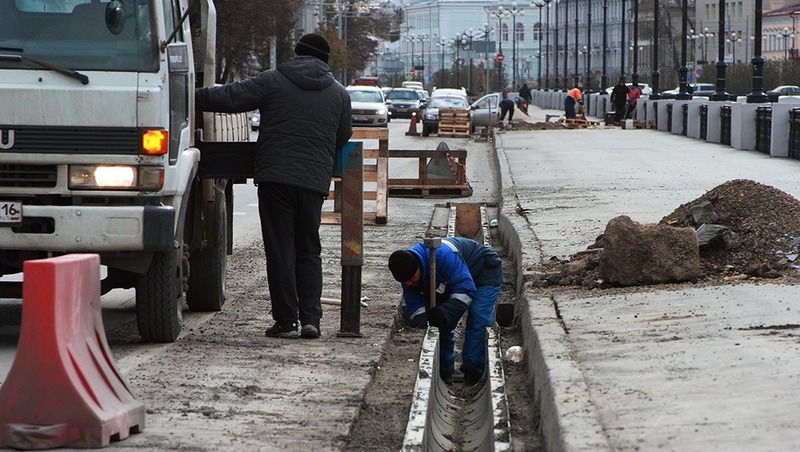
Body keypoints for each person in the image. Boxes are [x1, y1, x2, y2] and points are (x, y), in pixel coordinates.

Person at [195, 33, 353, 339]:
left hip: (275, 179)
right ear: (325, 60)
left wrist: (190, 93)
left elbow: (230, 98)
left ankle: (285, 321)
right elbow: (342, 137)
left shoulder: (275, 80)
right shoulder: (339, 94)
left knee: (281, 250)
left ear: (296, 54)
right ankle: (311, 320)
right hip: (312, 182)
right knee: (309, 250)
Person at [388, 237, 503, 387]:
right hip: (451, 279)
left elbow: (466, 290)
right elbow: (416, 306)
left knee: (477, 317)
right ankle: (444, 371)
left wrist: (445, 313)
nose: (409, 284)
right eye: (405, 282)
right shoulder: (408, 272)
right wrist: (425, 326)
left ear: (419, 268)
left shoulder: (443, 257)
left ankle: (473, 371)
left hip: (483, 272)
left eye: (411, 279)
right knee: (441, 323)